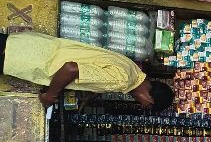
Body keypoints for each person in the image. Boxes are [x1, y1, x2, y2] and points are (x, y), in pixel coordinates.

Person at [0, 31, 174, 111]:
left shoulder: (134, 71)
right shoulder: (121, 81)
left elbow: (99, 68)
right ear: (150, 100)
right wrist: (50, 96)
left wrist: (92, 95)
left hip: (29, 45)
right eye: (146, 106)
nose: (141, 105)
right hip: (23, 58)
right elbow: (70, 68)